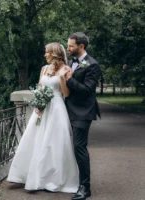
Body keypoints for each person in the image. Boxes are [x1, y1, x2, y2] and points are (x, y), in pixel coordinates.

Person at [7, 42, 79, 193]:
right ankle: (31, 177)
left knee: (54, 143)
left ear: (54, 53)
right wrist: (39, 102)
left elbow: (66, 94)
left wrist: (62, 79)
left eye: (47, 52)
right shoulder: (44, 69)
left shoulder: (66, 70)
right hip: (43, 108)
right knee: (35, 140)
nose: (45, 55)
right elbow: (40, 88)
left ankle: (53, 180)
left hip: (57, 108)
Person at [64, 32, 101, 200]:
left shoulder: (92, 65)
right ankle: (69, 180)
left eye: (71, 46)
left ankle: (85, 188)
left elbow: (87, 90)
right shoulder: (71, 61)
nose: (68, 48)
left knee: (79, 148)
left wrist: (70, 79)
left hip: (82, 112)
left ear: (81, 46)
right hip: (67, 110)